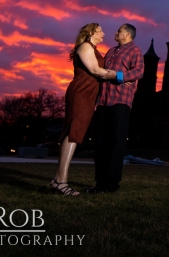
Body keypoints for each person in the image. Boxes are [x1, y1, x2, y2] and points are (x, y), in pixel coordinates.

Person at [51, 23, 116, 196]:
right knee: (74, 133)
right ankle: (61, 182)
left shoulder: (92, 48)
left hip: (87, 94)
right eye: (100, 30)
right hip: (81, 92)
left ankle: (58, 180)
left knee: (73, 133)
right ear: (91, 32)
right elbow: (95, 70)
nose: (104, 33)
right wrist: (120, 76)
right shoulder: (85, 46)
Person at [86, 23, 144, 194]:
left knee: (116, 144)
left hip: (120, 102)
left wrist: (119, 76)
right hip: (103, 102)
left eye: (119, 30)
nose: (116, 32)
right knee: (101, 144)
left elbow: (139, 71)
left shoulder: (135, 50)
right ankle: (100, 183)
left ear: (127, 34)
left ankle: (111, 185)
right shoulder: (111, 51)